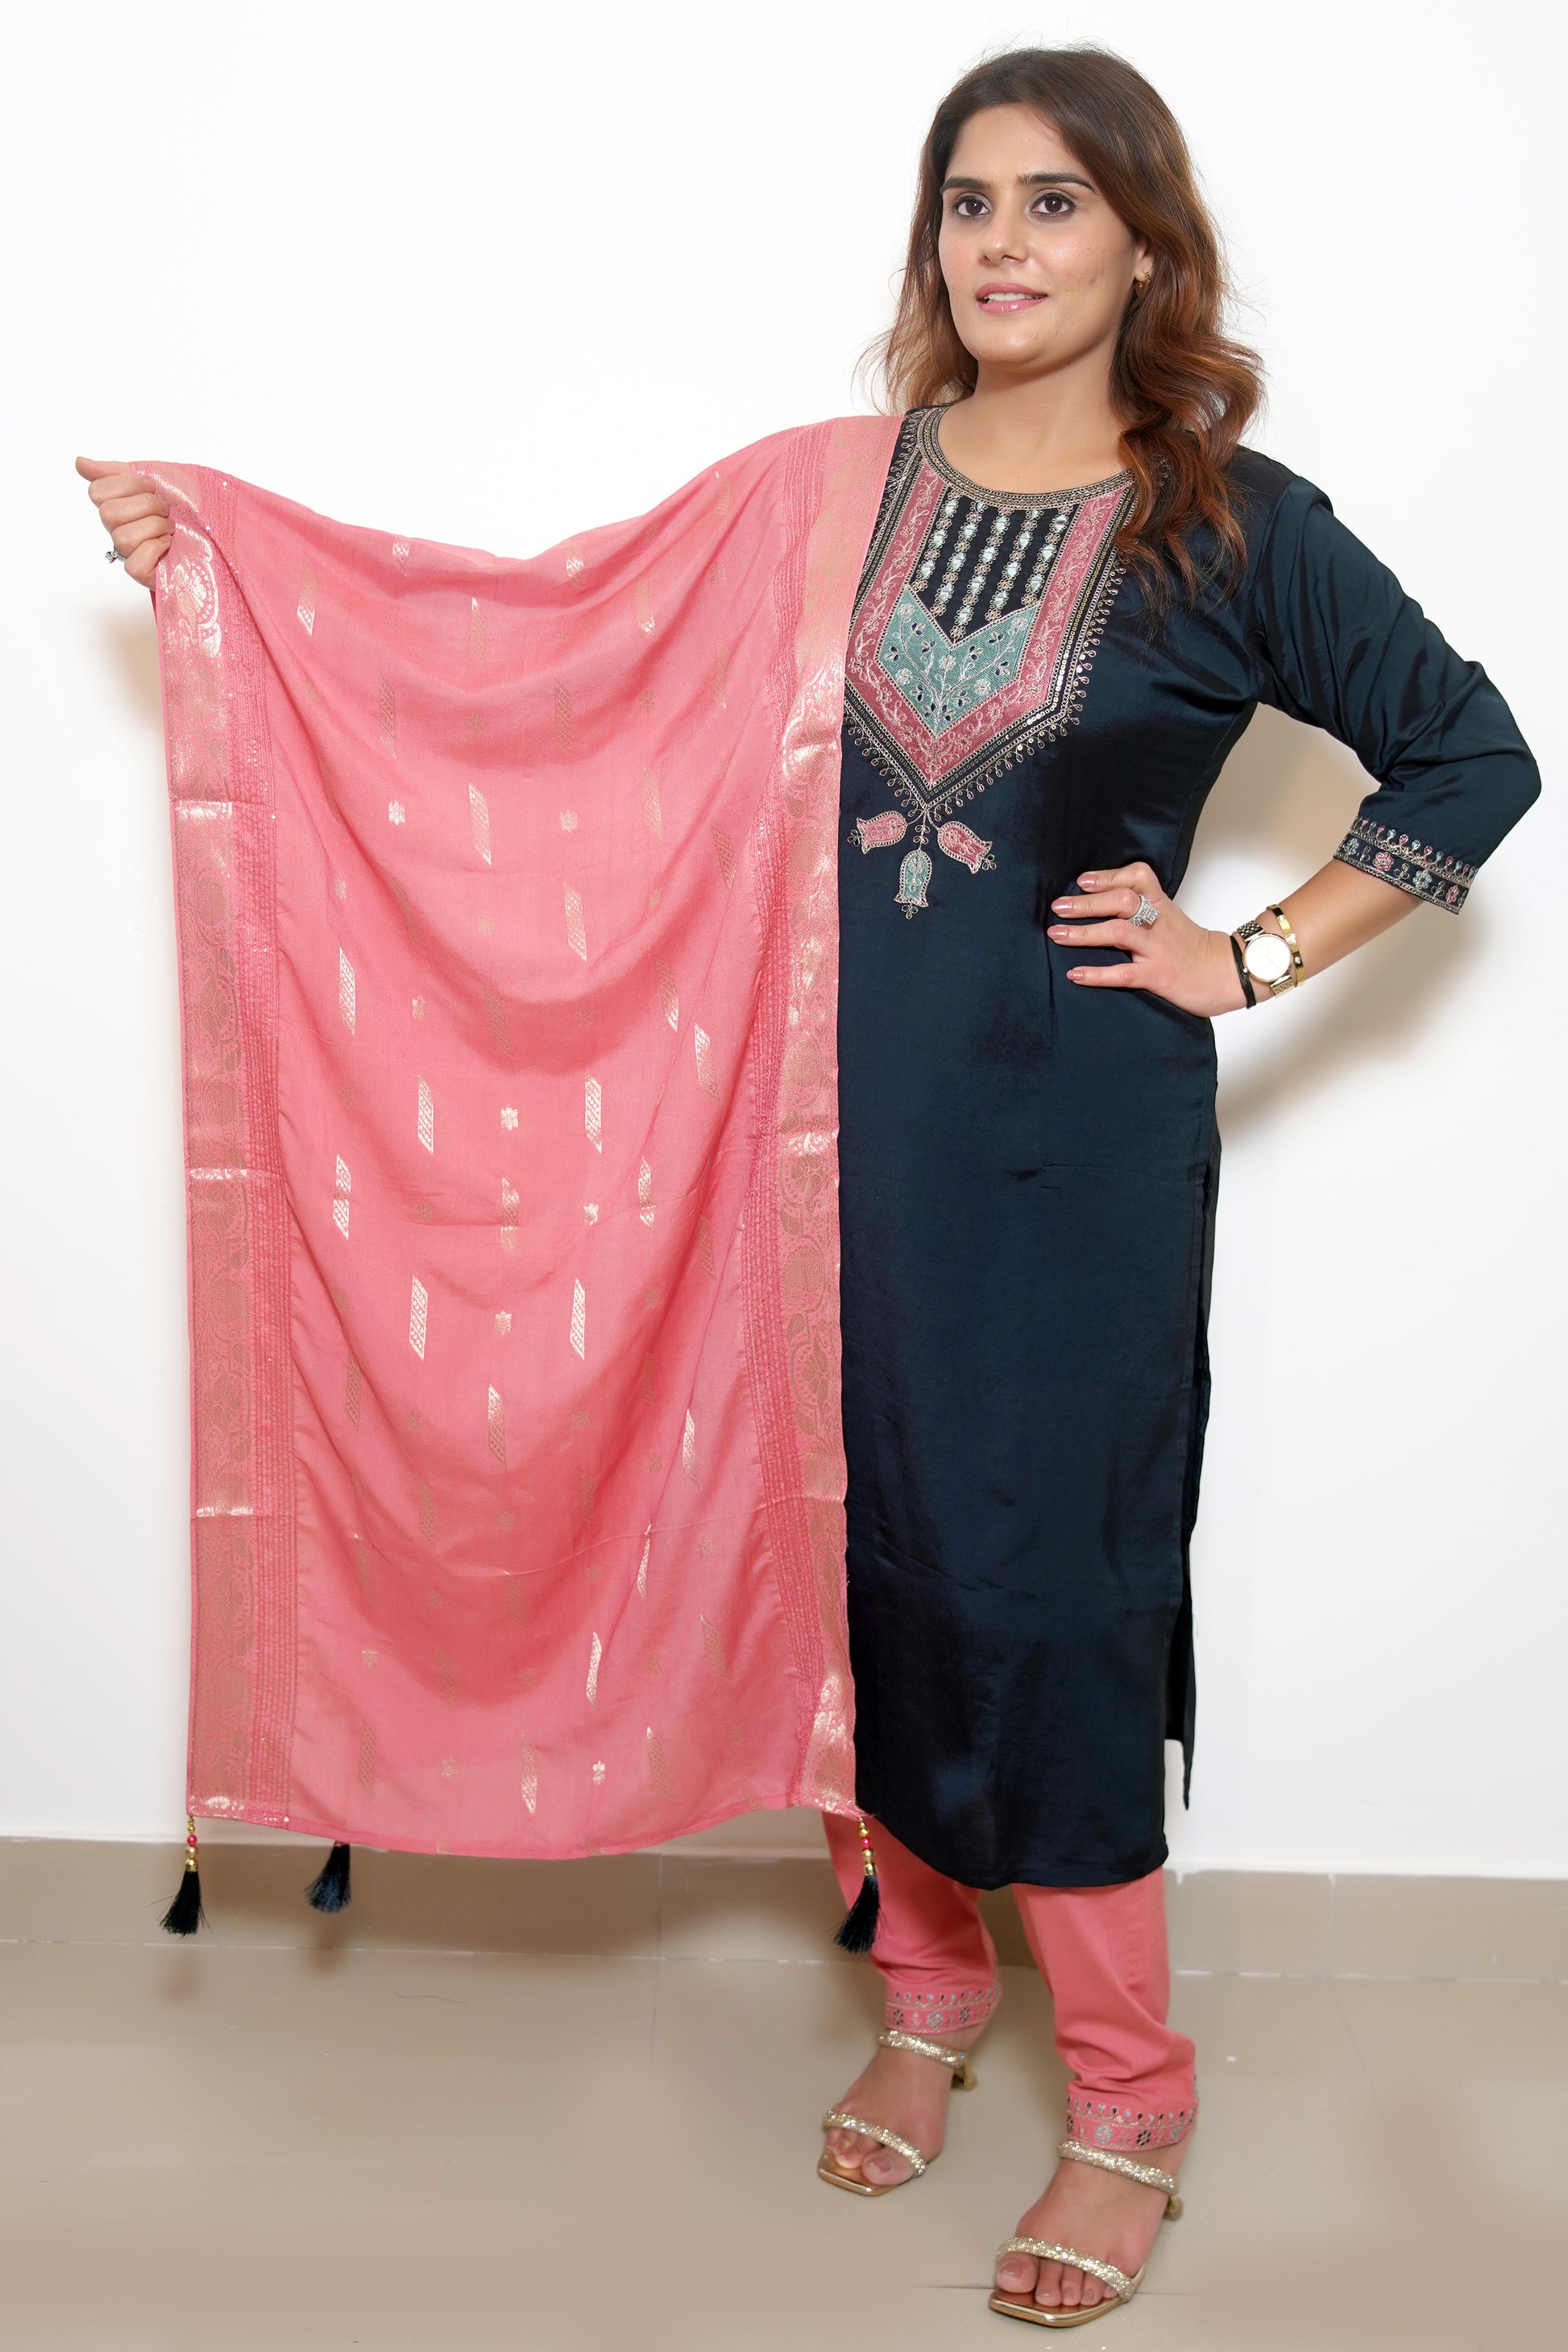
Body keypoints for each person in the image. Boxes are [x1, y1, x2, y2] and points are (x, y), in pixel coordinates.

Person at [81, 44, 1538, 2333]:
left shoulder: (1233, 525)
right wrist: (240, 564)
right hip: (803, 1142)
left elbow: (1473, 753)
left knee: (1045, 1598)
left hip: (1070, 1160)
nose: (1002, 244)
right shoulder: (823, 500)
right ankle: (930, 1996)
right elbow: (540, 635)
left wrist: (1244, 953)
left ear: (1145, 245)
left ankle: (1130, 2095)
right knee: (861, 1569)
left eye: (1054, 202)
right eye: (967, 200)